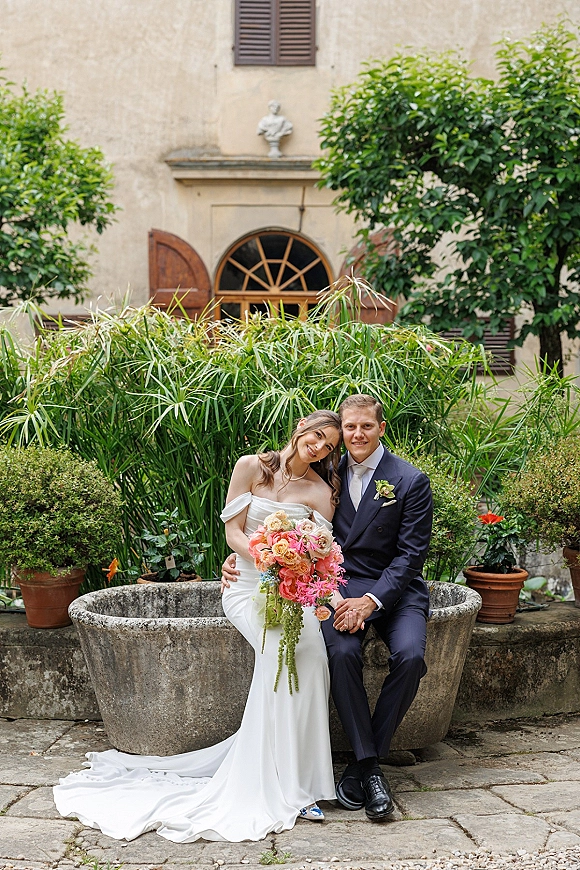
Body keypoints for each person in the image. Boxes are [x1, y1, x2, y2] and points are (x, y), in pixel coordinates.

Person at [53, 410, 343, 843]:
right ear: (300, 426)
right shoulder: (250, 467)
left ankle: (303, 782)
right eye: (317, 435)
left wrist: (304, 579)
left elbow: (320, 554)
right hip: (246, 587)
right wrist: (266, 561)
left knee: (312, 658)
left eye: (328, 446)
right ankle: (283, 784)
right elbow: (232, 533)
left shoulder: (321, 491)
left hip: (289, 593)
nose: (319, 447)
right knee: (277, 658)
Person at [223, 394, 433, 822]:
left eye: (365, 427)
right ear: (303, 427)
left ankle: (364, 763)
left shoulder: (408, 480)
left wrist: (369, 601)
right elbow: (263, 533)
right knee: (337, 652)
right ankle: (359, 769)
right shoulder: (328, 472)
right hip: (332, 585)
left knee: (411, 657)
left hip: (395, 589)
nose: (354, 436)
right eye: (345, 429)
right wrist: (247, 558)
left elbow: (411, 556)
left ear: (381, 428)